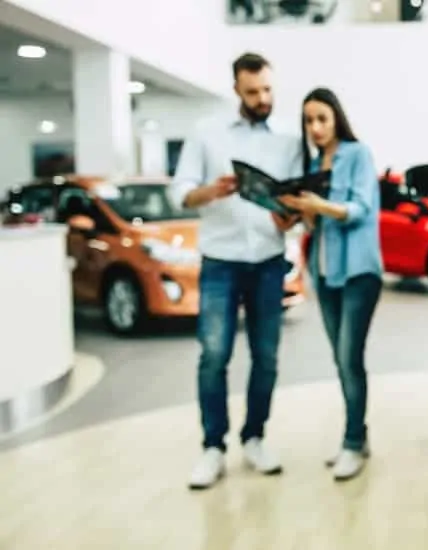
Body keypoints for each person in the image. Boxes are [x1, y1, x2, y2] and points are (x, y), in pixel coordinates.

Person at [169, 52, 301, 490]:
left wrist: (291, 216)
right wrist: (209, 191)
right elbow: (179, 193)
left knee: (266, 358)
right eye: (252, 92)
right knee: (213, 357)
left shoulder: (288, 138)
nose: (262, 98)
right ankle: (213, 447)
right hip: (220, 261)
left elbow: (296, 197)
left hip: (267, 260)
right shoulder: (207, 133)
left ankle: (255, 437)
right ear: (236, 90)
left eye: (267, 90)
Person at [278, 87, 382, 481]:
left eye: (322, 118)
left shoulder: (358, 154)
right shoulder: (312, 163)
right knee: (341, 360)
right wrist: (293, 211)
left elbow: (360, 209)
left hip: (358, 272)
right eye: (308, 120)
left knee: (348, 357)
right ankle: (359, 435)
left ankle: (353, 442)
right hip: (324, 274)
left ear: (336, 117)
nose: (315, 127)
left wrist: (316, 205)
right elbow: (315, 224)